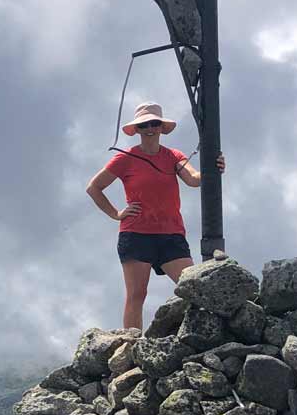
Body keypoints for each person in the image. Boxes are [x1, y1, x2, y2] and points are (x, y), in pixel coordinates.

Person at [85, 101, 225, 329]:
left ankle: (198, 338)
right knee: (137, 294)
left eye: (154, 123)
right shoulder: (125, 158)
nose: (149, 128)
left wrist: (213, 168)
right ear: (137, 130)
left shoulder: (172, 156)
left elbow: (193, 179)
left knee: (193, 286)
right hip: (136, 234)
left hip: (171, 234)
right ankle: (130, 347)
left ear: (161, 127)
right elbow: (94, 187)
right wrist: (116, 214)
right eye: (144, 125)